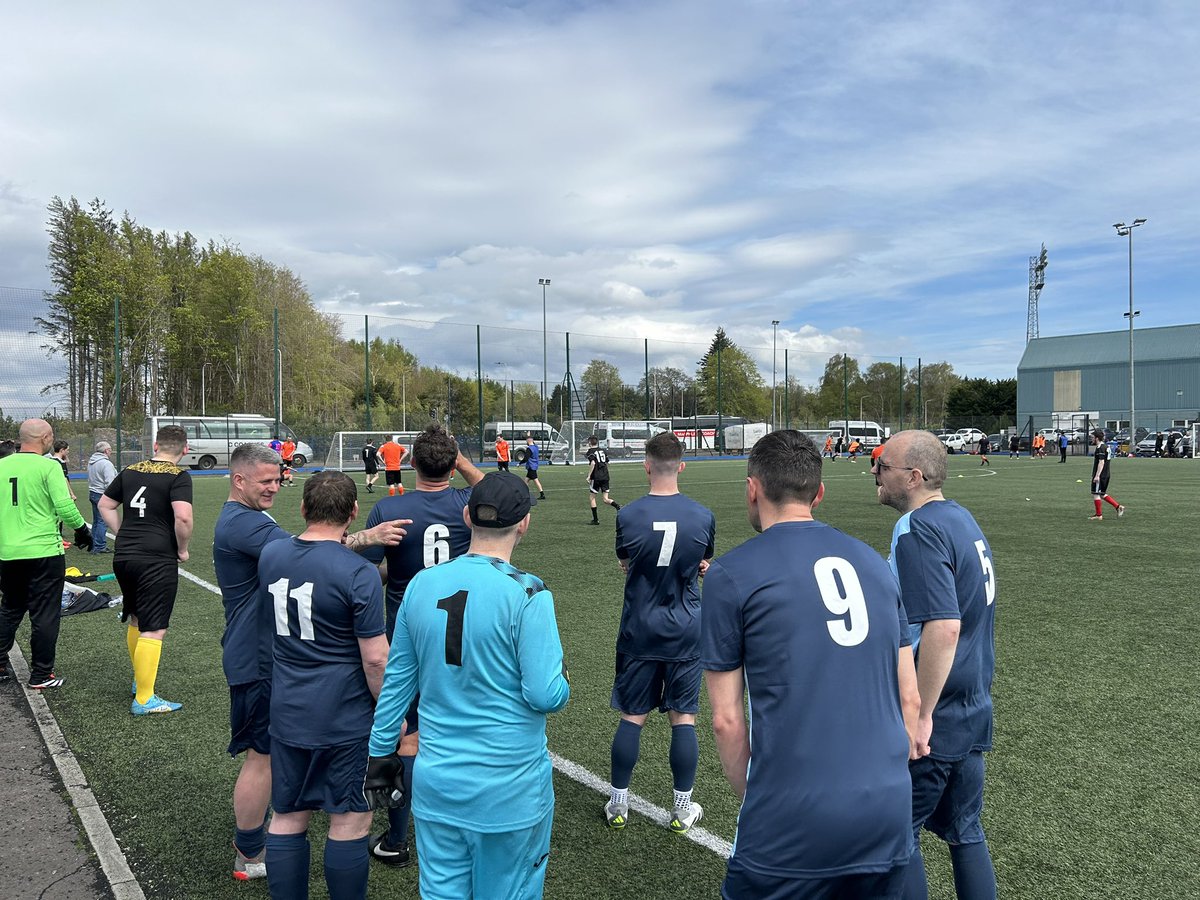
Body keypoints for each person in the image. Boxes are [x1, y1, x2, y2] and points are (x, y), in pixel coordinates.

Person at [702, 430, 915, 898]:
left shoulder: (730, 574)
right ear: (819, 494)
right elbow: (910, 698)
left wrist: (758, 799)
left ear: (752, 489)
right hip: (888, 807)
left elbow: (726, 720)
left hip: (794, 816)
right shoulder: (875, 564)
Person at [369, 471, 570, 899]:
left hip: (438, 786)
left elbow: (397, 681)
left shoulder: (422, 585)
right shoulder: (529, 592)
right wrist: (563, 681)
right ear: (524, 523)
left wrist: (379, 754)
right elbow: (544, 693)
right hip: (508, 791)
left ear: (466, 515)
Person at [214, 442, 407, 881]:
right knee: (262, 758)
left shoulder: (255, 527)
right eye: (265, 481)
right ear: (238, 479)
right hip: (262, 661)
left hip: (279, 663)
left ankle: (264, 840)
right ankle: (248, 850)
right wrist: (368, 540)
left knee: (280, 772)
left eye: (278, 479)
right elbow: (315, 550)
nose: (274, 487)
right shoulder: (245, 527)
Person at [874, 429, 998, 900]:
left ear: (914, 476)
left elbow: (944, 626)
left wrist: (920, 714)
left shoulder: (918, 527)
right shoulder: (962, 519)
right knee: (966, 831)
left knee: (896, 833)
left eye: (883, 467)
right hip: (971, 705)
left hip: (938, 713)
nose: (876, 474)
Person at [257, 471, 390, 900]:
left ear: (302, 509)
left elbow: (313, 551)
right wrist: (391, 716)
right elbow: (375, 658)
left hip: (288, 710)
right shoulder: (359, 573)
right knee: (350, 819)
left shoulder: (272, 555)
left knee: (287, 815)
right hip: (343, 716)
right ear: (354, 512)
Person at [359, 424, 484, 867]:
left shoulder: (389, 508)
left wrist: (398, 566)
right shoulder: (470, 504)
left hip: (407, 632)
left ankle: (396, 839)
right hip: (463, 628)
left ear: (411, 463)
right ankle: (470, 826)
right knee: (464, 727)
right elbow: (495, 489)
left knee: (407, 738)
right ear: (452, 465)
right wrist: (462, 462)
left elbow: (369, 574)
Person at [605, 432, 715, 834]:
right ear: (681, 466)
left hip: (640, 629)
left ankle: (618, 803)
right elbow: (703, 561)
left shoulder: (628, 514)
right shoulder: (702, 515)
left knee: (632, 717)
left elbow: (625, 560)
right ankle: (682, 808)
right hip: (686, 629)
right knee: (683, 718)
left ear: (646, 465)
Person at [98, 425, 194, 715]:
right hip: (155, 558)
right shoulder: (179, 475)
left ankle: (140, 680)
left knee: (136, 619)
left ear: (155, 446)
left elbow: (105, 504)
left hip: (125, 556)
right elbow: (184, 517)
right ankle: (144, 699)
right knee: (155, 628)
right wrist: (182, 549)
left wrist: (122, 532)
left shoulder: (129, 469)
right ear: (185, 450)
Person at [0, 419, 90, 689]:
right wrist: (82, 530)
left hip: (8, 552)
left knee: (10, 608)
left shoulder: (2, 465)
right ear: (47, 437)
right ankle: (41, 674)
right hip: (43, 552)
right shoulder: (49, 466)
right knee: (45, 614)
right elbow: (65, 507)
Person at [1088, 428, 1126, 521]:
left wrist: (1097, 476)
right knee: (1101, 494)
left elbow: (1101, 462)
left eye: (1093, 437)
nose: (1091, 439)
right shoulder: (1105, 446)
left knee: (1096, 494)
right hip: (1106, 474)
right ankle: (1118, 507)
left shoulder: (1101, 448)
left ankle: (1098, 515)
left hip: (1101, 474)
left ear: (1097, 438)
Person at [87, 441, 118, 553]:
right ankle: (99, 546)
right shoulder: (106, 464)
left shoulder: (91, 462)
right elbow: (110, 482)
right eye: (110, 449)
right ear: (106, 451)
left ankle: (94, 543)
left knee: (96, 520)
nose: (111, 452)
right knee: (102, 521)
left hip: (93, 492)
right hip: (102, 494)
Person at [584, 435, 621, 525]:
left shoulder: (590, 451)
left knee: (592, 497)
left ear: (589, 442)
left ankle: (595, 520)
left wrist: (589, 476)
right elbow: (607, 462)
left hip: (596, 477)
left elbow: (592, 463)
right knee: (605, 499)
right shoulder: (603, 450)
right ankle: (618, 506)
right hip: (605, 476)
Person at [525, 434, 546, 500]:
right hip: (534, 465)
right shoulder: (536, 447)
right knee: (526, 481)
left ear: (528, 440)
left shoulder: (529, 449)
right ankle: (524, 494)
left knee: (536, 480)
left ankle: (542, 494)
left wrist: (519, 463)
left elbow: (526, 458)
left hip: (531, 466)